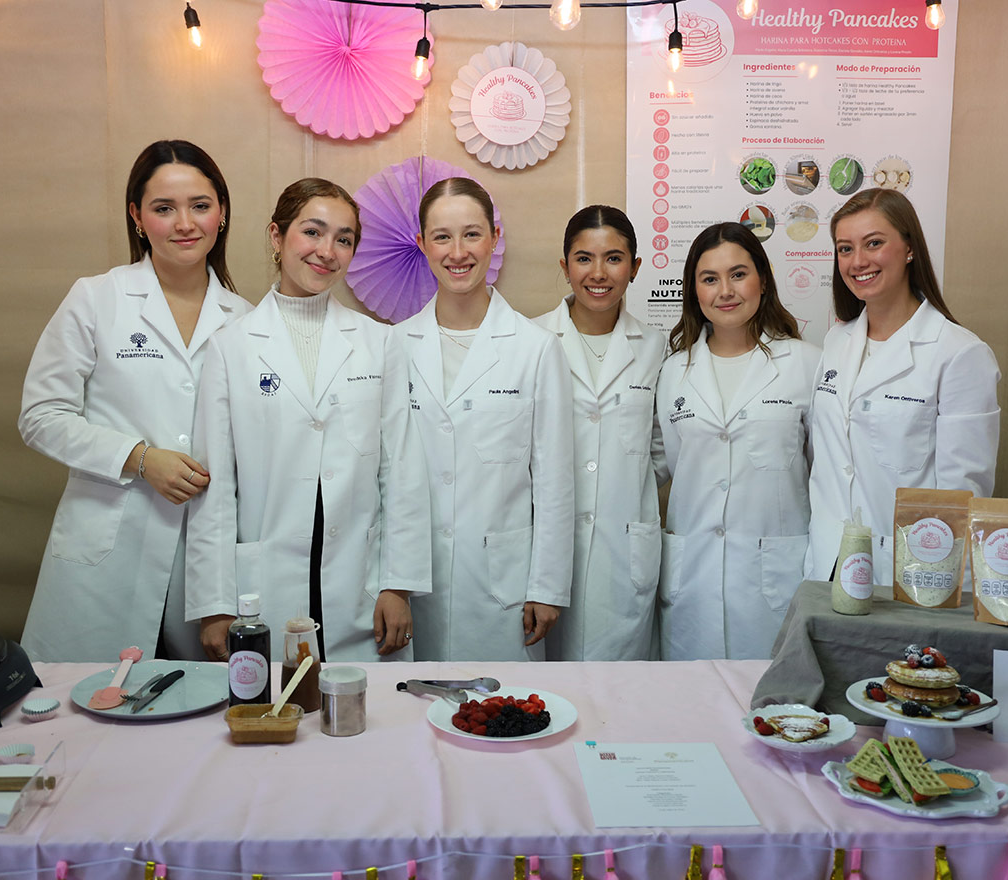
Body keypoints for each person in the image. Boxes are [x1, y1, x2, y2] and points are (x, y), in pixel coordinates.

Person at [19, 140, 252, 662]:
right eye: (164, 208)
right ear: (137, 217)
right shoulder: (96, 298)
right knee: (87, 698)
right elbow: (40, 416)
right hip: (109, 542)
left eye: (200, 205)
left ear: (221, 213)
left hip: (204, 556)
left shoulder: (245, 320)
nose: (185, 223)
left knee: (205, 703)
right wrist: (140, 458)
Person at [187, 179, 431, 662]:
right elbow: (217, 488)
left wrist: (398, 584)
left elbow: (401, 471)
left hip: (361, 582)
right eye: (313, 232)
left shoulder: (379, 343)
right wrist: (213, 602)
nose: (327, 251)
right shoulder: (230, 347)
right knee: (273, 702)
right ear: (277, 236)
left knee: (367, 706)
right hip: (264, 584)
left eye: (344, 239)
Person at [395, 177, 575, 661]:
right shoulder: (395, 346)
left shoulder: (536, 349)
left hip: (505, 585)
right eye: (442, 236)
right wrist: (390, 582)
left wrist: (547, 586)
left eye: (472, 234)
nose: (458, 252)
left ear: (495, 238)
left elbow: (555, 481)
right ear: (422, 244)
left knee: (504, 702)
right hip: (416, 580)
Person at [805, 188, 1000, 584]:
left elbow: (962, 498)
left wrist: (933, 590)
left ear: (909, 248)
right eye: (845, 249)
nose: (858, 261)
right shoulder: (837, 341)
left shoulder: (959, 354)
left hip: (904, 572)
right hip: (827, 565)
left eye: (873, 243)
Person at [656, 222, 820, 660]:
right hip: (693, 578)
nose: (725, 291)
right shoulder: (673, 372)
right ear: (694, 290)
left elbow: (821, 472)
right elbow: (677, 464)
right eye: (710, 279)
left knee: (773, 694)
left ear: (763, 280)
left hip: (774, 579)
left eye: (738, 274)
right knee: (692, 695)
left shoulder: (806, 364)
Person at [532, 206, 667, 661]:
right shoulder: (531, 341)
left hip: (623, 548)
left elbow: (660, 449)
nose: (598, 273)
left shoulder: (655, 347)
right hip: (548, 551)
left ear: (635, 267)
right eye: (584, 258)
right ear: (565, 265)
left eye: (614, 258)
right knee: (545, 684)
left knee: (620, 687)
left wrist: (621, 478)